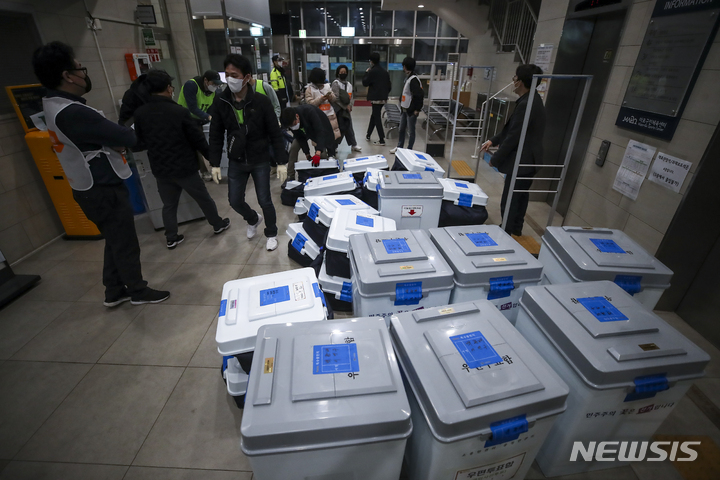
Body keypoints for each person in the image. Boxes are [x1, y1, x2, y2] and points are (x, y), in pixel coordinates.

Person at [32, 41, 170, 306]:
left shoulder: (53, 103)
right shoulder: (72, 112)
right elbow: (126, 136)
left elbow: (107, 137)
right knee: (125, 242)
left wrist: (108, 141)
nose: (83, 73)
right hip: (101, 189)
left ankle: (114, 290)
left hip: (89, 188)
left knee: (114, 240)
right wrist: (113, 140)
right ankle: (138, 291)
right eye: (79, 68)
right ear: (67, 76)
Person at [133, 70, 230, 249]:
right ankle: (217, 224)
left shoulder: (140, 113)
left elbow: (139, 142)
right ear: (169, 89)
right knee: (203, 198)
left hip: (160, 168)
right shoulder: (179, 111)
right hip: (184, 166)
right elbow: (197, 139)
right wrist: (212, 159)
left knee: (169, 205)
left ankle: (171, 237)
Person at [208, 54, 288, 251]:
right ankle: (252, 219)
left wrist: (281, 161)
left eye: (234, 75)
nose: (230, 79)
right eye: (227, 75)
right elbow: (216, 133)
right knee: (234, 200)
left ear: (246, 77)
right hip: (236, 159)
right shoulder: (221, 101)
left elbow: (275, 133)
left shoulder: (261, 101)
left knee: (264, 200)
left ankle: (271, 232)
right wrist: (215, 163)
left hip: (259, 158)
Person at [480, 64, 545, 237]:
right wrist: (493, 140)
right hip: (529, 160)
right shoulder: (531, 100)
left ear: (520, 82)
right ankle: (516, 228)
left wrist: (496, 158)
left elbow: (514, 136)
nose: (513, 81)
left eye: (515, 78)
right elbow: (512, 130)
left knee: (511, 198)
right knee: (520, 196)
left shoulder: (527, 104)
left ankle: (506, 231)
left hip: (523, 161)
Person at [280, 105, 337, 181]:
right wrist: (307, 153)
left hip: (321, 130)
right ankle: (290, 176)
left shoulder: (309, 112)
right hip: (305, 132)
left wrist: (318, 152)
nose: (293, 127)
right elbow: (300, 138)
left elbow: (320, 132)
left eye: (293, 124)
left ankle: (324, 174)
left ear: (297, 116)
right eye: (290, 126)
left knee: (323, 154)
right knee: (294, 147)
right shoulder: (291, 121)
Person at [390, 57, 423, 154]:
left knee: (411, 131)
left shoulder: (413, 80)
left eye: (403, 66)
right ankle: (399, 147)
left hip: (411, 110)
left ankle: (409, 150)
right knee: (401, 129)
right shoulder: (409, 78)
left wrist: (417, 109)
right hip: (404, 109)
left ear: (405, 67)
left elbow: (419, 95)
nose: (403, 68)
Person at [304, 67, 341, 145]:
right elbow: (310, 104)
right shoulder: (309, 89)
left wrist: (330, 96)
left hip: (330, 115)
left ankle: (331, 153)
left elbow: (334, 99)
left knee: (332, 137)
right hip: (317, 117)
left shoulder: (327, 86)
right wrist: (320, 99)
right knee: (319, 138)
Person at [362, 51, 391, 146]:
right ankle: (368, 134)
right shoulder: (384, 71)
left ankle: (381, 139)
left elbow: (365, 83)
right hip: (383, 98)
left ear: (371, 61)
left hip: (375, 98)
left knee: (377, 117)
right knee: (374, 116)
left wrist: (366, 73)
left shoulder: (372, 71)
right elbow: (389, 86)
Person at [331, 64, 362, 153]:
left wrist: (350, 105)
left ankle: (353, 144)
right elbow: (336, 98)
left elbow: (351, 97)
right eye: (341, 72)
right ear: (338, 73)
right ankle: (335, 145)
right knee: (341, 128)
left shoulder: (349, 84)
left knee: (348, 126)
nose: (343, 74)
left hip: (347, 110)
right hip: (339, 109)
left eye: (344, 72)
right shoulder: (335, 84)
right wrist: (345, 107)